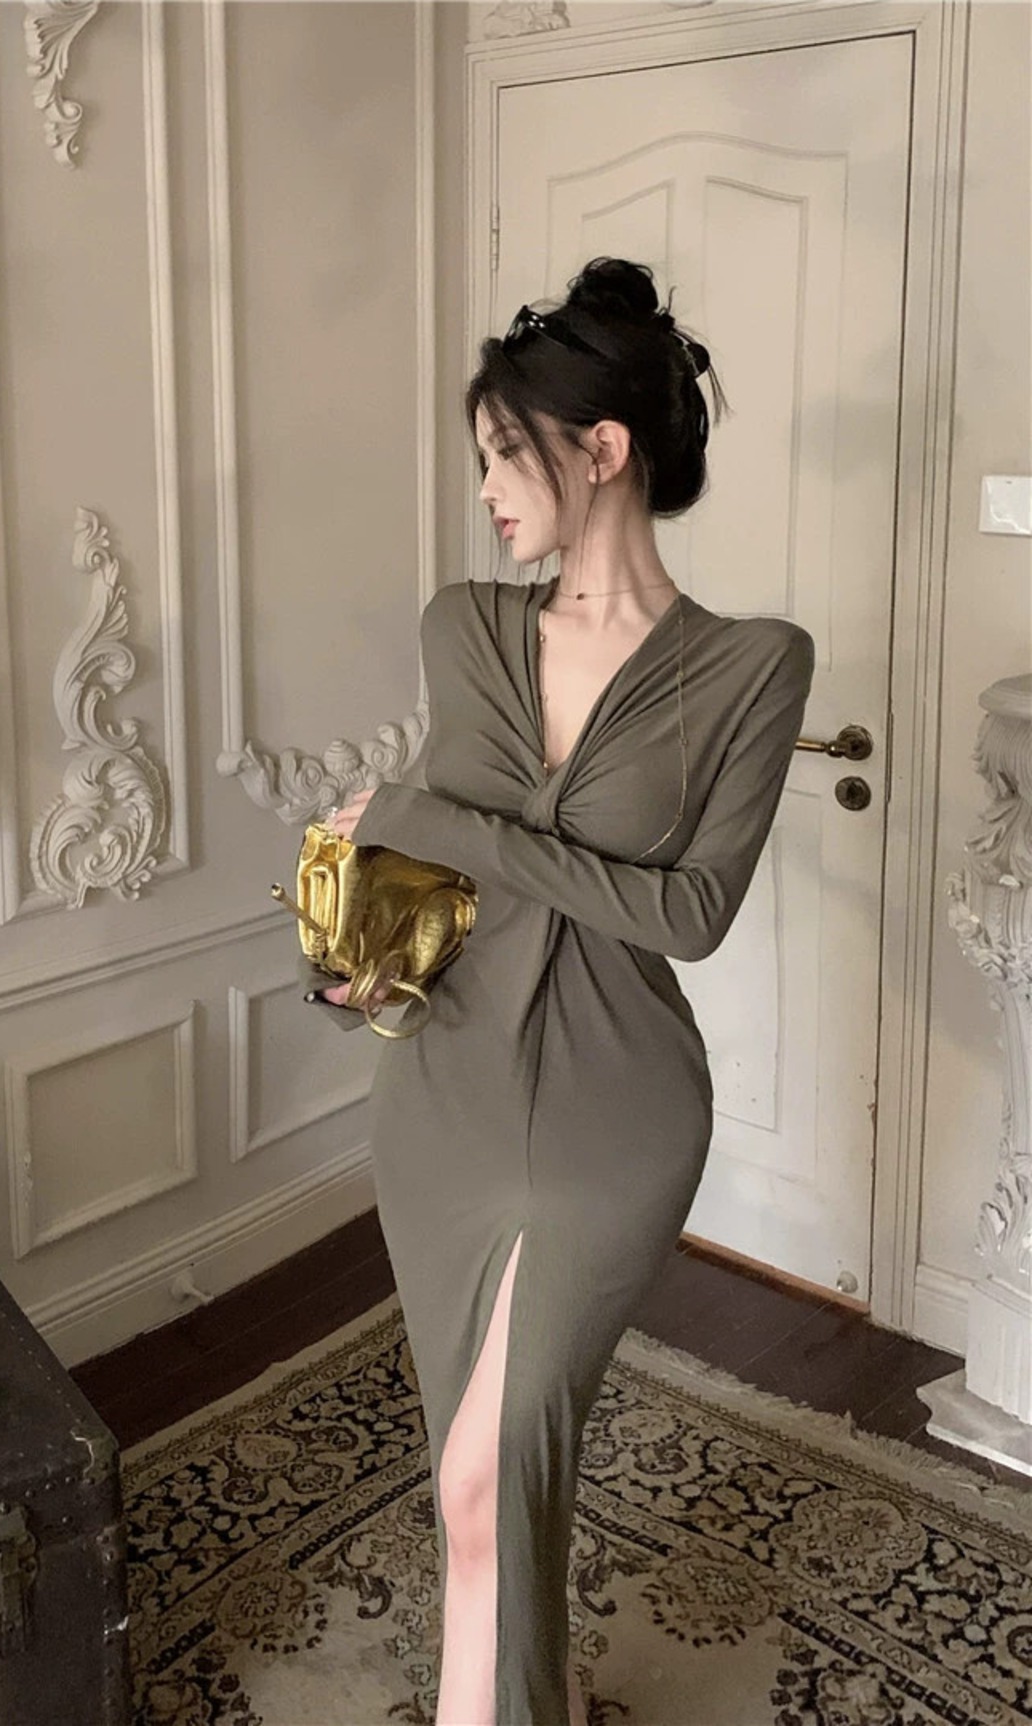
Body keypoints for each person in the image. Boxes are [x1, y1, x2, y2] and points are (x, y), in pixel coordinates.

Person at [299, 256, 816, 1726]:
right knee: (480, 1474)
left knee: (490, 1460)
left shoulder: (752, 667)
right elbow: (434, 875)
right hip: (444, 1089)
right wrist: (357, 940)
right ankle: (535, 1687)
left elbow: (692, 913)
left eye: (500, 454)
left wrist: (440, 817)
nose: (483, 491)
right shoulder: (462, 626)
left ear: (602, 449)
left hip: (616, 1106)